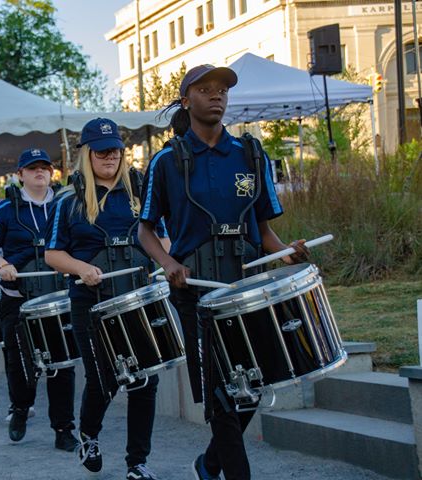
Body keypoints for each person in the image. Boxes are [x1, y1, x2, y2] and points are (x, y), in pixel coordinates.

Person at [137, 64, 309, 480]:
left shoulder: (251, 155)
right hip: (195, 292)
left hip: (248, 288)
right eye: (205, 89)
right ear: (186, 100)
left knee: (255, 385)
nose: (217, 96)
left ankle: (209, 463)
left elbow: (263, 229)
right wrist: (168, 262)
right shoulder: (166, 161)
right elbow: (143, 229)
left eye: (222, 90)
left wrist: (286, 252)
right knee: (222, 397)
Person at [45, 118, 166, 480]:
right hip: (91, 303)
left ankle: (137, 462)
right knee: (103, 378)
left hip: (138, 300)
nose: (109, 156)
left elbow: (162, 239)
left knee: (145, 380)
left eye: (114, 149)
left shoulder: (141, 191)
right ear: (87, 155)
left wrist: (163, 262)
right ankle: (89, 436)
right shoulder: (69, 199)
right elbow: (53, 254)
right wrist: (81, 268)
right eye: (101, 151)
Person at [0, 148, 78, 451]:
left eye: (44, 168)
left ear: (51, 172)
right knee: (20, 364)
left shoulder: (66, 205)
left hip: (59, 299)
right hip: (17, 301)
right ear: (20, 174)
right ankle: (20, 409)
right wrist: (2, 266)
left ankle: (63, 429)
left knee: (62, 364)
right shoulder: (5, 209)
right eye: (32, 168)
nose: (39, 173)